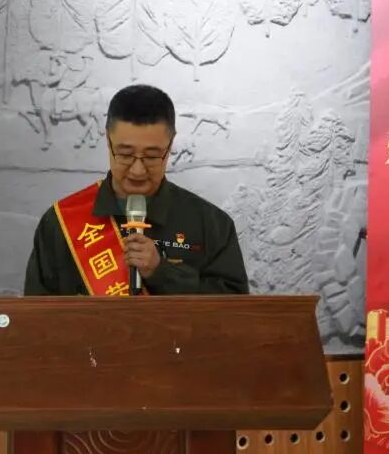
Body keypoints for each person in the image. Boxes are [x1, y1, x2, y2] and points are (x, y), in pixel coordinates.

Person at [24, 84, 248, 296]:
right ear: (108, 140)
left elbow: (235, 310)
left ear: (171, 145)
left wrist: (162, 273)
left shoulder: (211, 224)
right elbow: (38, 314)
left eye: (152, 156)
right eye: (125, 154)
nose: (137, 171)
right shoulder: (60, 223)